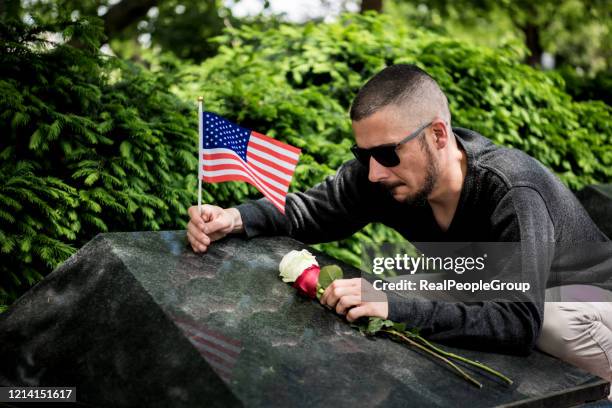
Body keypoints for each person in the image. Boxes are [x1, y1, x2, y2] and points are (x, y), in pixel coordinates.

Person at [186, 64, 612, 391]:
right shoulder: (385, 175)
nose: (372, 172)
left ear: (439, 135)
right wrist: (235, 218)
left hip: (586, 304)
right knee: (403, 283)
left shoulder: (511, 189)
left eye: (388, 153)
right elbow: (314, 210)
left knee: (545, 326)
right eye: (362, 152)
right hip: (495, 286)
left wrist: (397, 305)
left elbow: (519, 323)